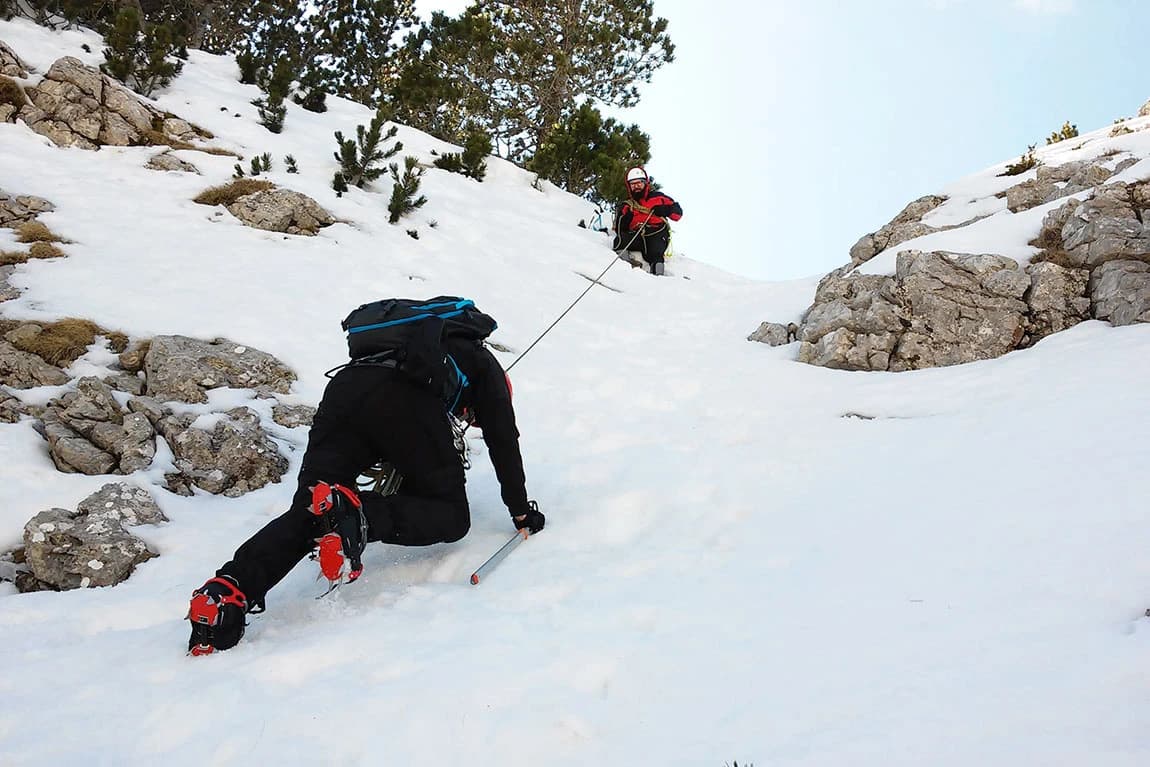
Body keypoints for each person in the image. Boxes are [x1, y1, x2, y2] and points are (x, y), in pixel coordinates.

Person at [186, 325, 544, 655]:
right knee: (451, 516)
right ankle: (357, 517)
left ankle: (227, 592)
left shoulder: (416, 345)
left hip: (345, 389)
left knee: (312, 508)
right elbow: (504, 440)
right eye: (470, 416)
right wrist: (520, 509)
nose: (466, 419)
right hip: (404, 397)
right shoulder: (487, 368)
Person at [612, 166, 683, 276]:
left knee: (655, 254)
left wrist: (666, 210)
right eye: (633, 184)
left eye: (639, 183)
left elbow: (677, 214)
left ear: (645, 183)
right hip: (637, 234)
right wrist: (625, 220)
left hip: (657, 232)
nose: (636, 187)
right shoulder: (627, 206)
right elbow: (619, 229)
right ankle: (626, 269)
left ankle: (658, 277)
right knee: (620, 242)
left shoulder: (658, 198)